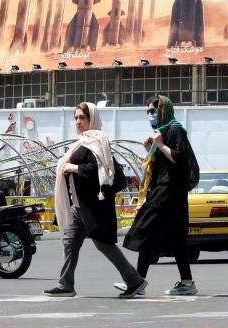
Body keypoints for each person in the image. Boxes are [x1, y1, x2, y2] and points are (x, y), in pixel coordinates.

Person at [44, 103, 146, 299]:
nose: (78, 122)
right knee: (70, 242)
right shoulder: (82, 142)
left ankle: (134, 280)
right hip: (79, 205)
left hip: (94, 207)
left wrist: (73, 168)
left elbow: (96, 171)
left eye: (82, 117)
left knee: (104, 244)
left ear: (93, 119)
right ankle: (66, 284)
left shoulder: (97, 141)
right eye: (76, 118)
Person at [123, 95, 197, 296]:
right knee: (177, 239)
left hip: (168, 192)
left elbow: (180, 158)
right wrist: (151, 148)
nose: (150, 115)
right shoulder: (162, 132)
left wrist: (161, 144)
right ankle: (187, 282)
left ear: (164, 110)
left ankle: (136, 281)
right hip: (169, 192)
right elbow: (160, 165)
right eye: (148, 112)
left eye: (153, 111)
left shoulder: (175, 129)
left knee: (145, 230)